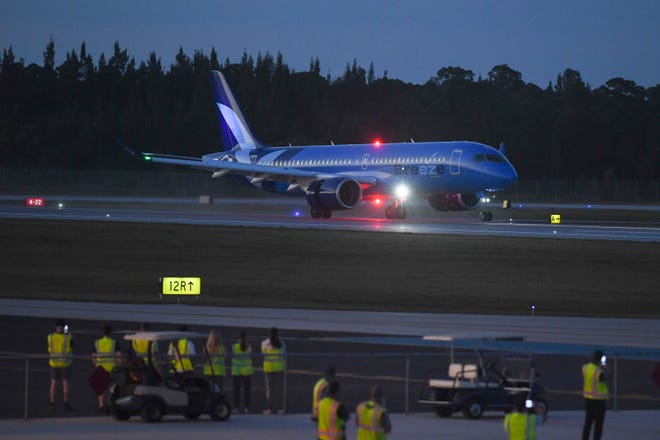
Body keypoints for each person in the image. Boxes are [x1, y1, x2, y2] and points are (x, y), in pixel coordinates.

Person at [92, 325, 121, 412]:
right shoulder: (113, 342)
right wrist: (119, 365)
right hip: (111, 368)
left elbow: (93, 356)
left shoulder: (97, 343)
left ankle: (100, 406)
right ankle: (110, 404)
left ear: (103, 333)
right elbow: (119, 355)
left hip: (101, 368)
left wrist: (96, 365)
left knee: (101, 388)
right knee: (111, 387)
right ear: (110, 333)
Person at [582, 349, 609, 440]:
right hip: (599, 400)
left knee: (588, 423)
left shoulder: (585, 368)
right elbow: (605, 378)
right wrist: (604, 367)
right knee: (598, 425)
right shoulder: (599, 372)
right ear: (600, 360)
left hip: (588, 399)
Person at [47, 319, 74, 412]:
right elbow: (72, 345)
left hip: (54, 363)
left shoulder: (50, 337)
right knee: (65, 384)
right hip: (65, 363)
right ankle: (66, 403)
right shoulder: (67, 337)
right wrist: (68, 334)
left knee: (53, 384)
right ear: (63, 327)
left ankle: (52, 402)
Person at [261, 327, 286, 414]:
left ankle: (270, 408)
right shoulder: (282, 344)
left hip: (268, 368)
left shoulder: (264, 344)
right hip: (279, 367)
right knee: (279, 389)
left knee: (269, 389)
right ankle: (281, 408)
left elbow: (263, 353)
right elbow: (284, 354)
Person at [231, 331, 254, 413]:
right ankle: (246, 407)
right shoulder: (249, 347)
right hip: (247, 370)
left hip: (236, 370)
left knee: (236, 390)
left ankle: (236, 407)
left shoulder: (234, 347)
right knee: (246, 390)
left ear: (238, 338)